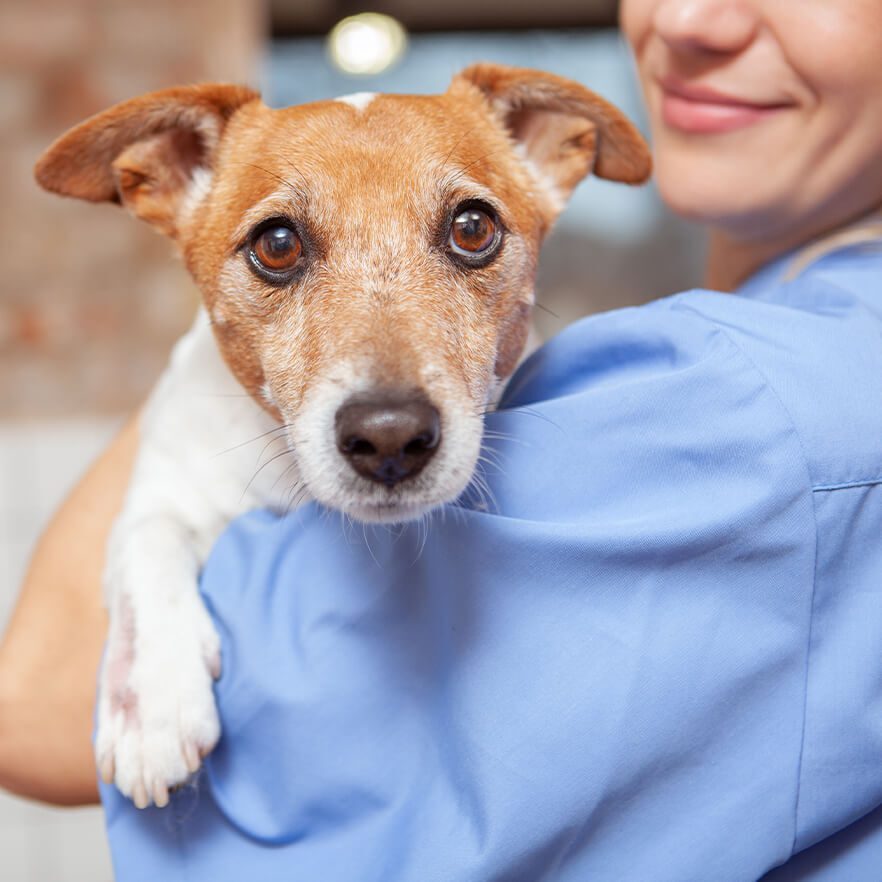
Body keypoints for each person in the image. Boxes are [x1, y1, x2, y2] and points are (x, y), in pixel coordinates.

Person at [3, 0, 882, 877]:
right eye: (281, 245)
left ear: (552, 150)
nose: (695, 19)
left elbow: (37, 710)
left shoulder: (744, 410)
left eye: (468, 232)